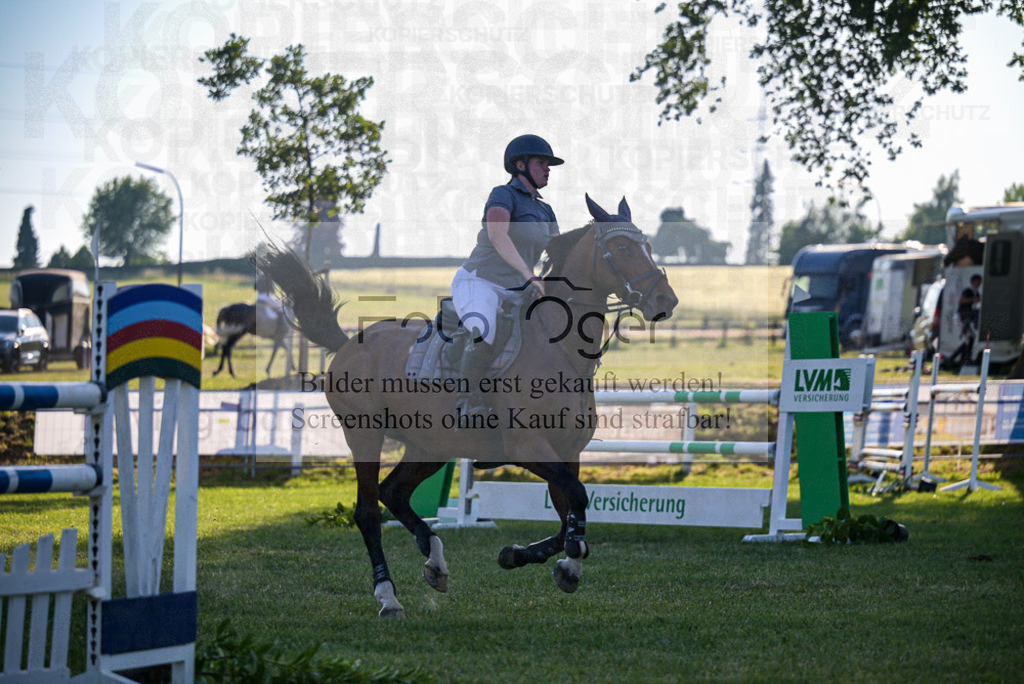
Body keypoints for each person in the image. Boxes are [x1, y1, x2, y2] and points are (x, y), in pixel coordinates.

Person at [451, 134, 564, 418]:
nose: (547, 169)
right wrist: (529, 275)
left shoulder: (545, 209)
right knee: (485, 329)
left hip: (518, 289)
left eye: (548, 164)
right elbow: (497, 235)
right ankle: (467, 402)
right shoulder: (503, 195)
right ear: (520, 165)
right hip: (480, 282)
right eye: (541, 162)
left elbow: (558, 252)